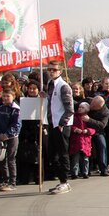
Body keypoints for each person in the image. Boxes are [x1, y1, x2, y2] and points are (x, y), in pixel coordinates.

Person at [46, 60, 75, 194]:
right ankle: (61, 180)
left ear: (60, 71)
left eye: (54, 70)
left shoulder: (63, 86)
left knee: (62, 153)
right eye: (50, 69)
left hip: (61, 125)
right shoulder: (49, 84)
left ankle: (65, 181)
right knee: (53, 154)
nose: (51, 72)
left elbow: (69, 108)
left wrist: (62, 123)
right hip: (52, 122)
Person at [0, 88, 21, 191]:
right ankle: (5, 180)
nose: (5, 98)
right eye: (4, 96)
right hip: (1, 137)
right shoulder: (0, 108)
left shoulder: (16, 109)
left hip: (12, 137)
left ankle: (12, 182)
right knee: (1, 159)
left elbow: (16, 124)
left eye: (8, 96)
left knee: (11, 159)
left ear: (13, 97)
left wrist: (7, 134)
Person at [83, 95, 109, 176]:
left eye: (94, 106)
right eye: (92, 104)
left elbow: (102, 125)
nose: (91, 106)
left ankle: (103, 169)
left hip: (97, 131)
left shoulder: (105, 112)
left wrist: (89, 120)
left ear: (100, 107)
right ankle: (86, 170)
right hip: (84, 129)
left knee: (102, 146)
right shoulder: (88, 100)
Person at [68, 102, 94, 179]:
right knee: (75, 158)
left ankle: (85, 172)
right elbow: (70, 126)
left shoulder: (88, 118)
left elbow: (93, 129)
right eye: (79, 107)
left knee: (85, 158)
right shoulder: (74, 117)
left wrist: (87, 130)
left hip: (86, 141)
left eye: (82, 108)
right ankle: (74, 173)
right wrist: (75, 129)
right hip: (76, 140)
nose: (80, 109)